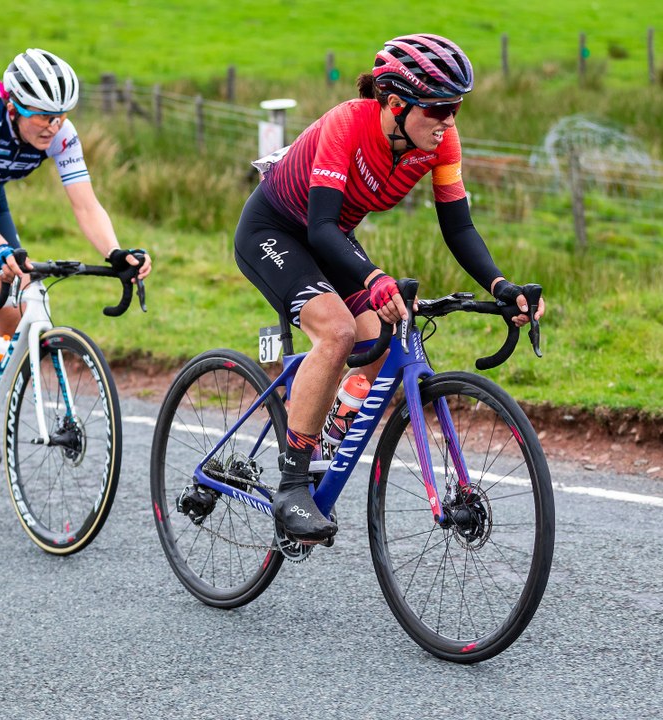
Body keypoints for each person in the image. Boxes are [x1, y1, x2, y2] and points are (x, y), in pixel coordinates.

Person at [234, 34, 546, 543]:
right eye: (440, 108)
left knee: (388, 325)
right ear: (396, 104)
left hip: (333, 236)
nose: (449, 121)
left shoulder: (441, 142)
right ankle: (292, 484)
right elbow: (319, 229)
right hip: (276, 232)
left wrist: (500, 284)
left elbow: (459, 227)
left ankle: (330, 429)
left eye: (457, 108)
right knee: (336, 332)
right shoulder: (347, 123)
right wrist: (374, 276)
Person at [0, 47, 151, 445]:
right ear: (13, 106)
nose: (53, 125)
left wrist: (115, 253)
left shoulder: (61, 134)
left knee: (14, 314)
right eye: (43, 115)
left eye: (61, 114)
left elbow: (85, 203)